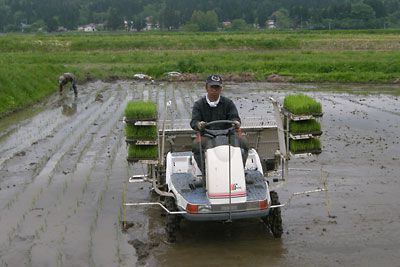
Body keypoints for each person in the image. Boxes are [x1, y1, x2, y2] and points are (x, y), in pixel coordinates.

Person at [190, 74, 248, 173]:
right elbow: (194, 122)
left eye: (217, 87)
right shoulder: (199, 105)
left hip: (227, 134)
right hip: (207, 135)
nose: (214, 90)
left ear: (221, 89)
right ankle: (206, 173)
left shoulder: (228, 103)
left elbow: (235, 117)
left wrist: (236, 122)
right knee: (196, 146)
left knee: (244, 143)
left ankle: (239, 172)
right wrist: (199, 124)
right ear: (206, 88)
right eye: (212, 87)